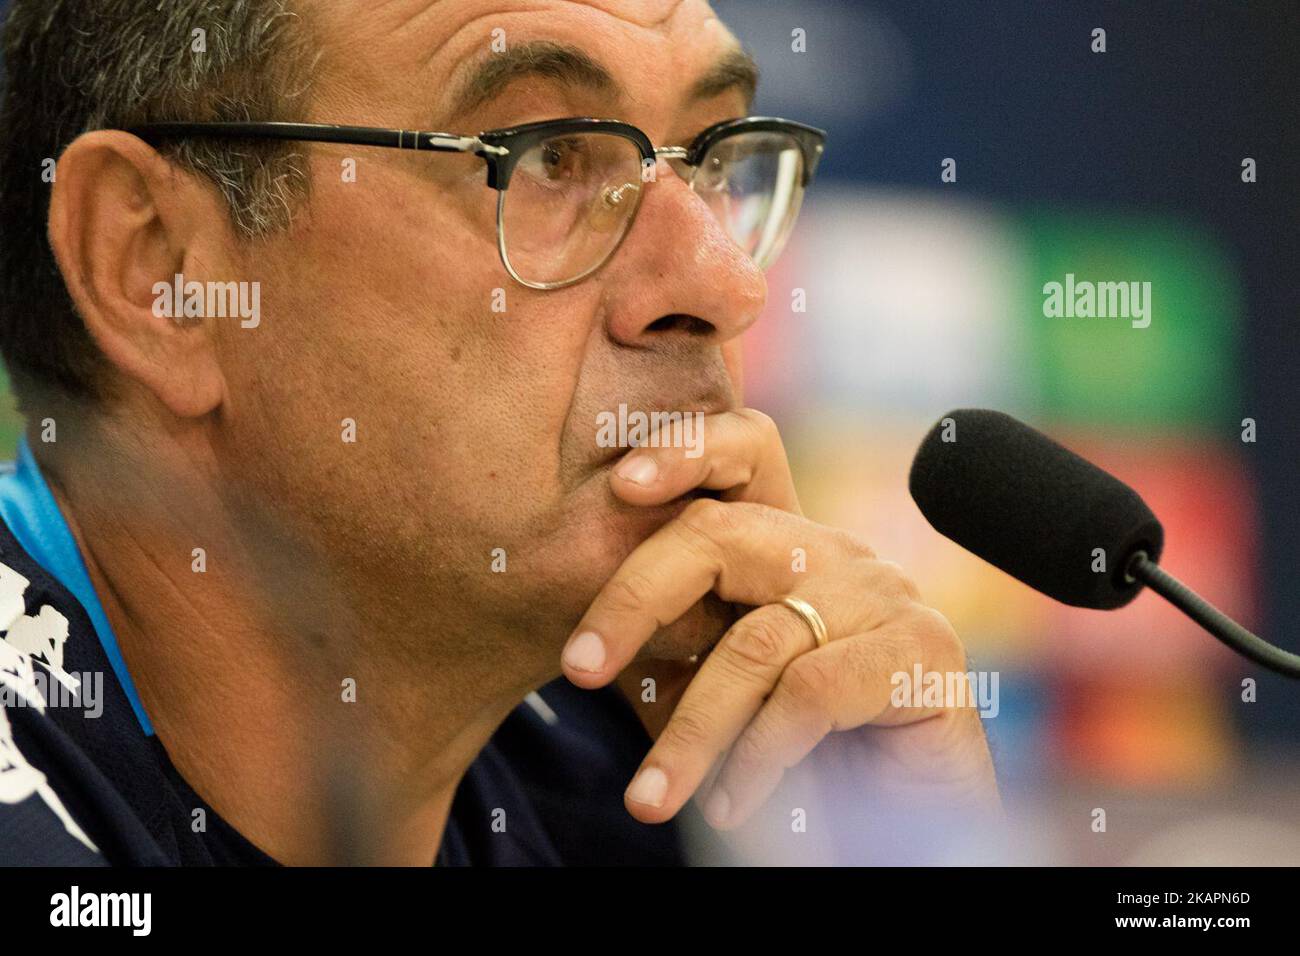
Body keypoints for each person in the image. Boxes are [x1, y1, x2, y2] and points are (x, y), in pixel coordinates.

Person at [0, 0, 999, 866]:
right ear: (161, 271)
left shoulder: (647, 760)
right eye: (551, 157)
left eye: (711, 160)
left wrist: (893, 832)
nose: (726, 288)